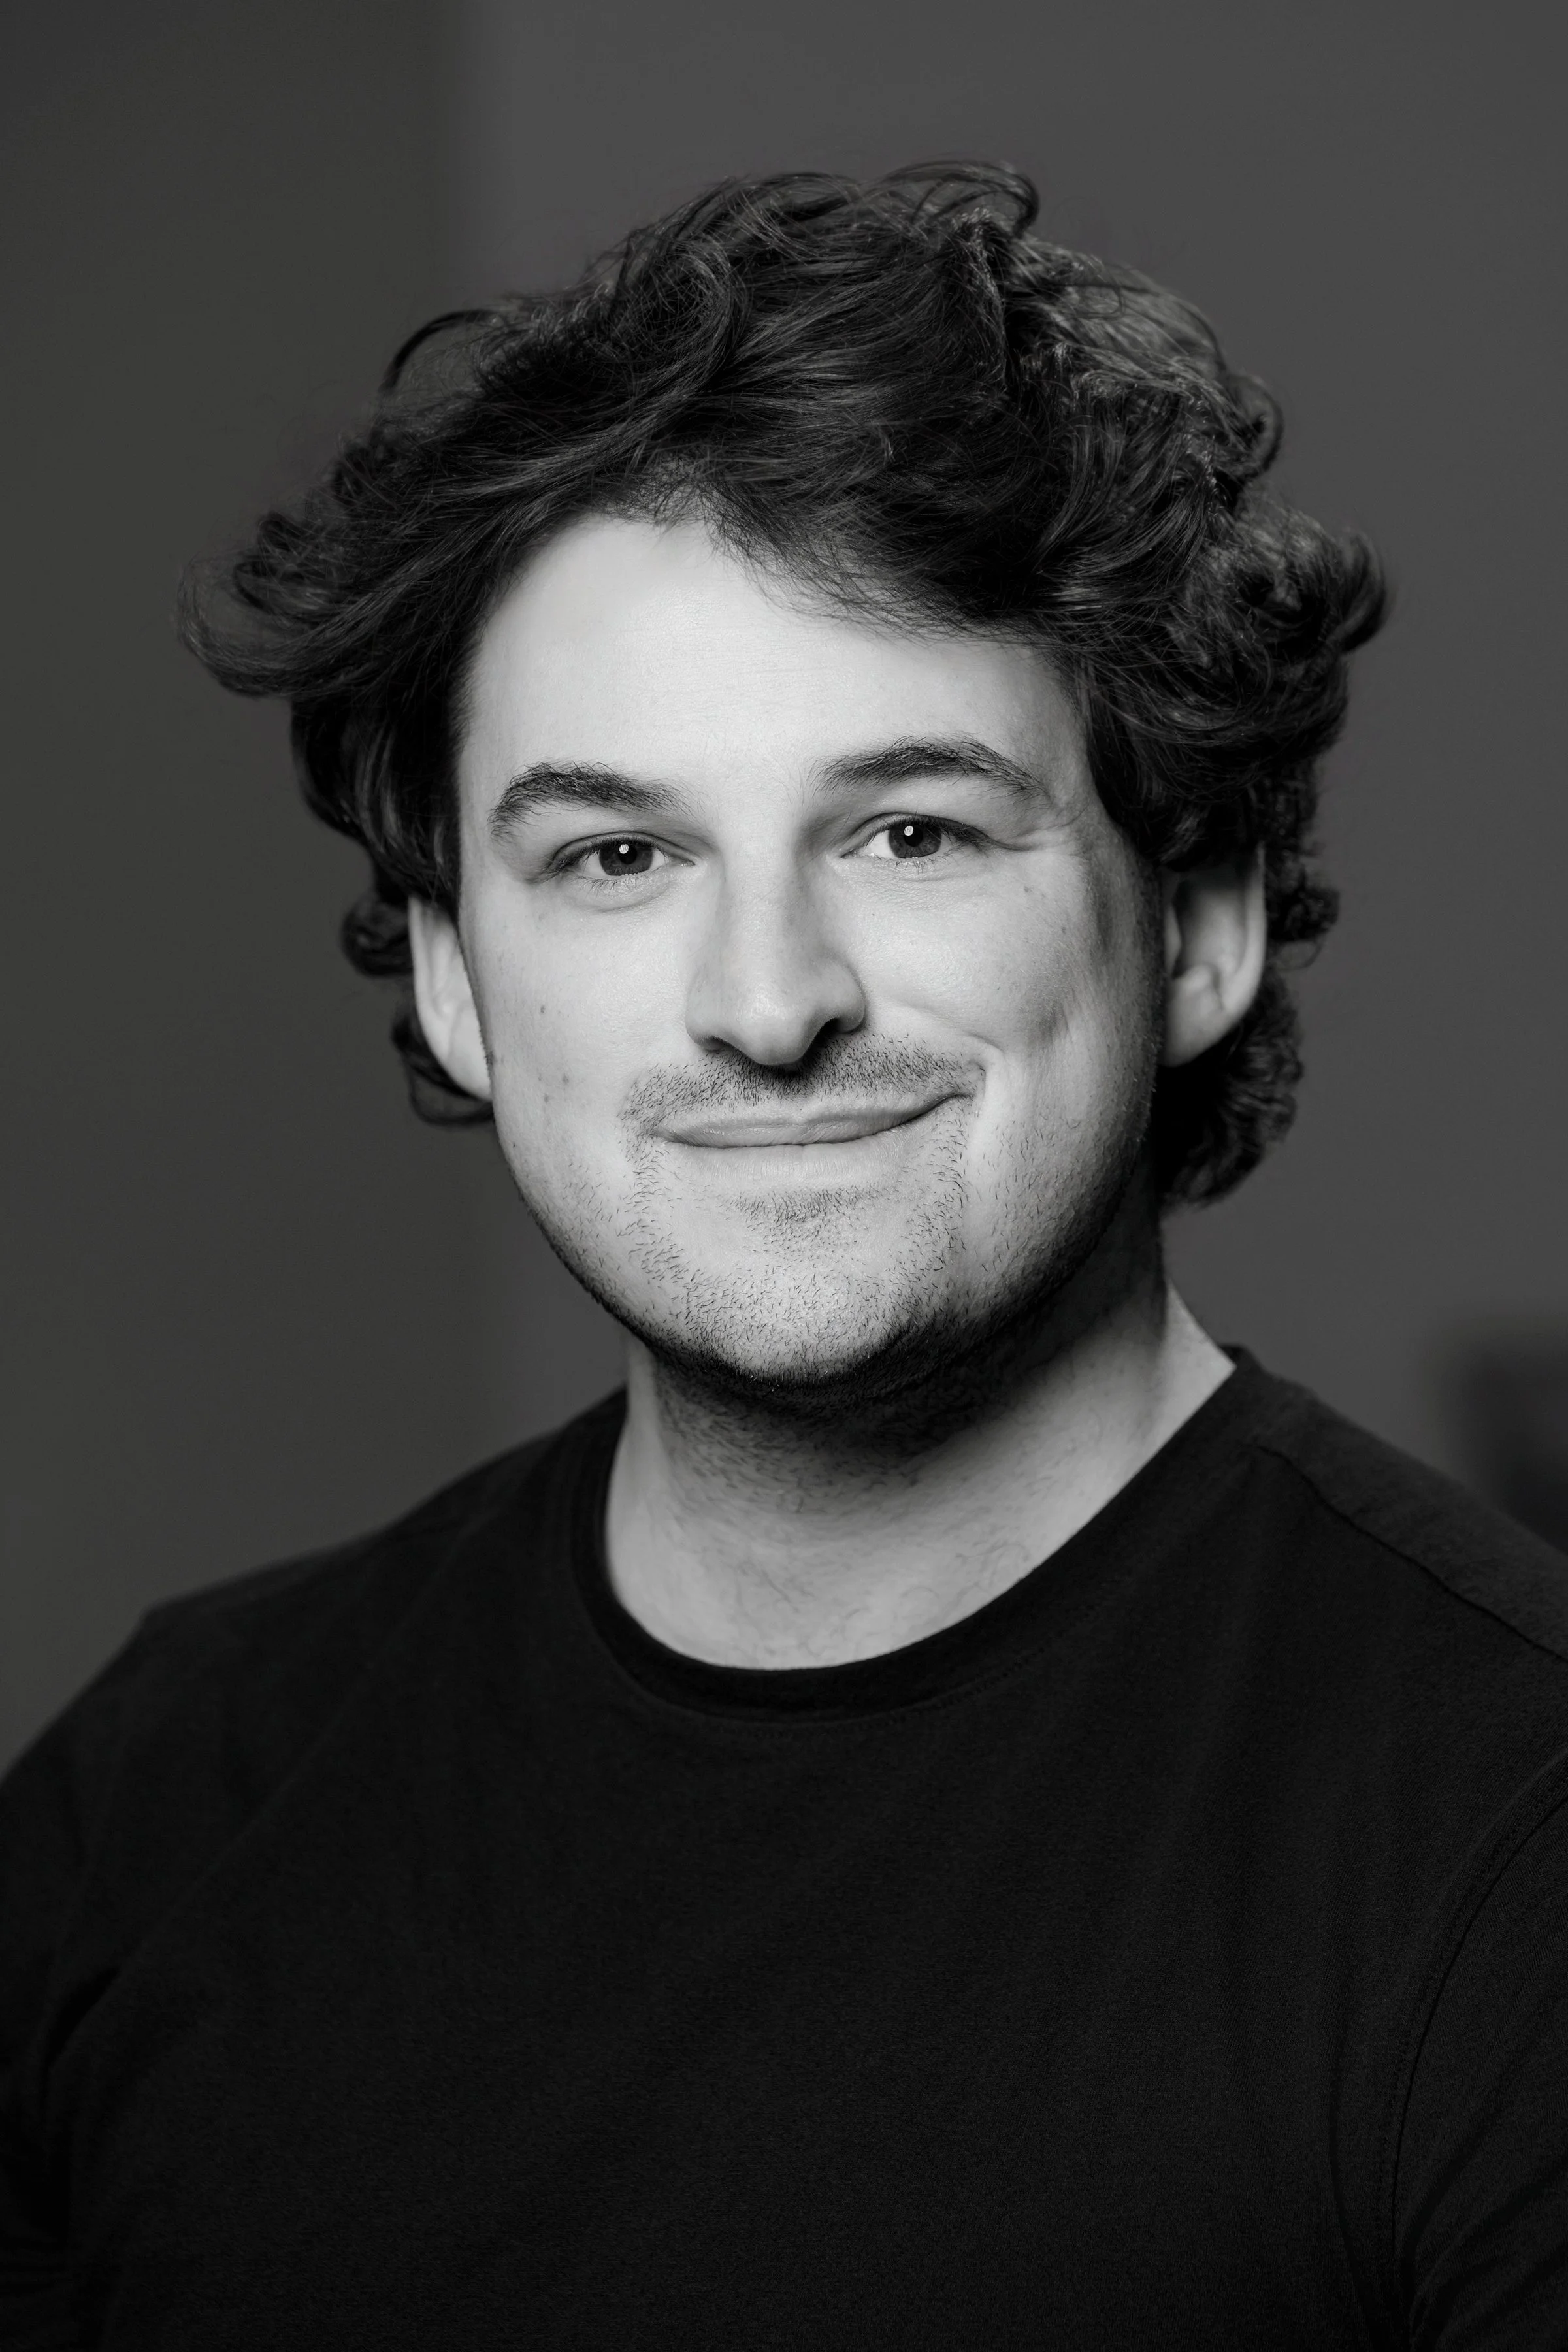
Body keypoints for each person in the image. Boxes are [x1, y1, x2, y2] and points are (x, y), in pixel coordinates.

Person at [2, 164, 1563, 2349]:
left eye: (911, 830)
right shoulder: (162, 1803)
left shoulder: (1509, 1833)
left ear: (1195, 927)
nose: (766, 999)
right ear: (455, 979)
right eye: (616, 854)